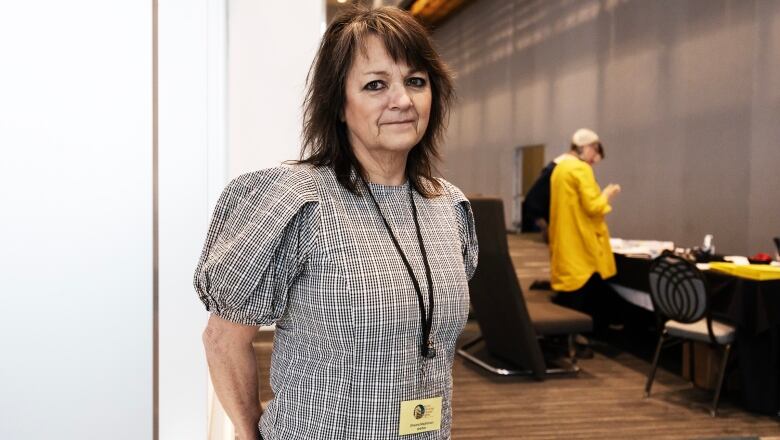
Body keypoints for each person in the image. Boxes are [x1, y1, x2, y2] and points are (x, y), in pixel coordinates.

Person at [194, 6, 478, 440]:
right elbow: (223, 339)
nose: (402, 100)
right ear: (339, 107)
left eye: (416, 81)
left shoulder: (448, 205)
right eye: (375, 85)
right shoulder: (299, 202)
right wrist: (250, 432)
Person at [548, 128, 621, 332]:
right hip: (581, 241)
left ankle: (564, 335)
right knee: (583, 291)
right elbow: (593, 207)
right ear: (588, 148)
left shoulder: (560, 169)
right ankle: (584, 333)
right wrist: (607, 193)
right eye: (594, 155)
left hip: (564, 239)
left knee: (569, 293)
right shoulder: (581, 169)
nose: (593, 161)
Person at [521, 133, 604, 242]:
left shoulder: (565, 167)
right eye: (593, 157)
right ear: (585, 148)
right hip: (564, 232)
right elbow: (533, 200)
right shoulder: (562, 168)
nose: (592, 163)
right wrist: (545, 227)